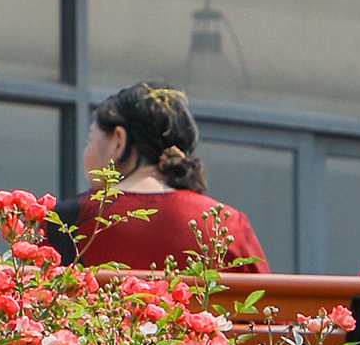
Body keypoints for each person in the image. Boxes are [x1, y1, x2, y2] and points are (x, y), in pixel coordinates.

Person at [49, 82, 268, 273]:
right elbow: (270, 310)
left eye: (90, 139)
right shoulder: (225, 225)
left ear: (119, 140)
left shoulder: (69, 221)